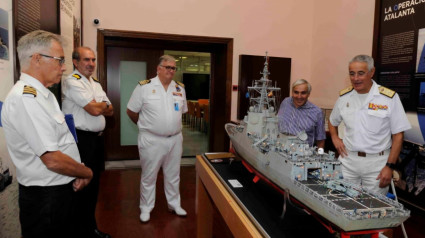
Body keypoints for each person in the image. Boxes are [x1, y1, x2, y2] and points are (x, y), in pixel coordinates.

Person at [1, 30, 92, 238]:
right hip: (46, 198)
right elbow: (51, 159)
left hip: (58, 191)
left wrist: (77, 171)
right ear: (36, 59)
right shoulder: (26, 98)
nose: (64, 67)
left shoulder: (44, 95)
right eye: (59, 60)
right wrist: (85, 172)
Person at [329, 55, 411, 195]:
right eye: (352, 73)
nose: (355, 78)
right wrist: (335, 138)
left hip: (377, 164)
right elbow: (332, 121)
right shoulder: (344, 97)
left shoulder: (388, 98)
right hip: (348, 161)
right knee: (341, 201)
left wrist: (390, 166)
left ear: (371, 72)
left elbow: (398, 135)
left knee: (373, 206)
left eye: (361, 73)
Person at [127, 55, 188, 223]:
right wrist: (143, 126)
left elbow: (182, 112)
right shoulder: (144, 87)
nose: (171, 71)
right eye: (167, 67)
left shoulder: (179, 88)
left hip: (175, 139)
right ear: (158, 68)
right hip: (151, 140)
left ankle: (174, 204)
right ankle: (146, 208)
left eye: (173, 68)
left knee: (174, 174)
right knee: (149, 175)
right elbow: (131, 111)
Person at [62, 47, 113, 238]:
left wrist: (100, 106)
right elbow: (93, 110)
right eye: (86, 60)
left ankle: (90, 228)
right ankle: (79, 231)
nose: (91, 64)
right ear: (75, 62)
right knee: (81, 187)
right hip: (80, 141)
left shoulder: (95, 82)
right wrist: (99, 106)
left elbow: (110, 109)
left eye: (93, 60)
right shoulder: (72, 81)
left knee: (93, 187)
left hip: (96, 141)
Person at [277, 79, 326, 149]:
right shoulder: (285, 102)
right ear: (292, 92)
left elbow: (320, 139)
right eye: (296, 92)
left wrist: (320, 156)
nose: (299, 96)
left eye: (303, 93)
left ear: (308, 94)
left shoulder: (317, 112)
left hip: (301, 155)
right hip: (279, 149)